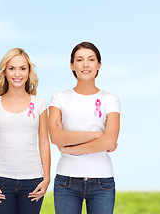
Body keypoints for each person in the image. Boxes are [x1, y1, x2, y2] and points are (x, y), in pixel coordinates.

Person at [49, 42, 120, 214]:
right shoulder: (59, 98)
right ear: (72, 65)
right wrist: (97, 135)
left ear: (99, 65)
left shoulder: (110, 99)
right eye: (80, 60)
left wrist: (70, 148)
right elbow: (56, 138)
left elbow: (110, 140)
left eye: (91, 59)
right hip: (66, 181)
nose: (86, 64)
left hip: (102, 181)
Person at [0, 48, 50, 213]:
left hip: (33, 180)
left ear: (29, 72)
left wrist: (47, 178)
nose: (17, 74)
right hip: (0, 180)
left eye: (22, 68)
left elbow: (44, 142)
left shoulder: (39, 103)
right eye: (12, 68)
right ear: (4, 72)